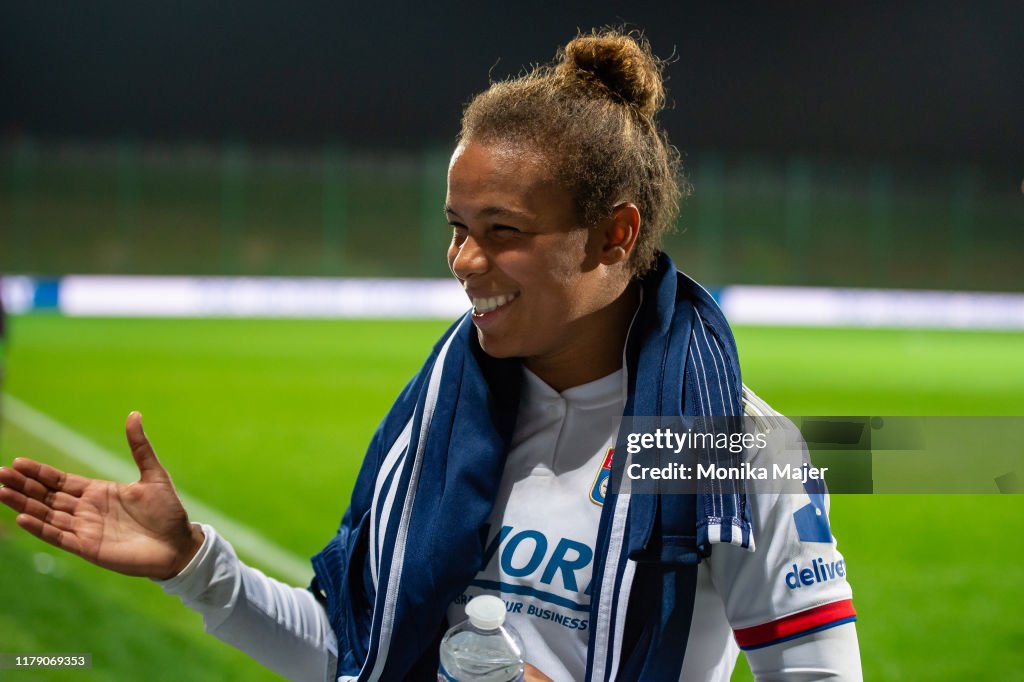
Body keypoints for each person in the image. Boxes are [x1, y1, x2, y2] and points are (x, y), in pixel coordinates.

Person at [0, 29, 861, 681]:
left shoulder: (730, 448)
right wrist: (195, 565)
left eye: (503, 233)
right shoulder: (446, 409)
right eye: (457, 229)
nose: (464, 262)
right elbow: (353, 650)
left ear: (614, 233)